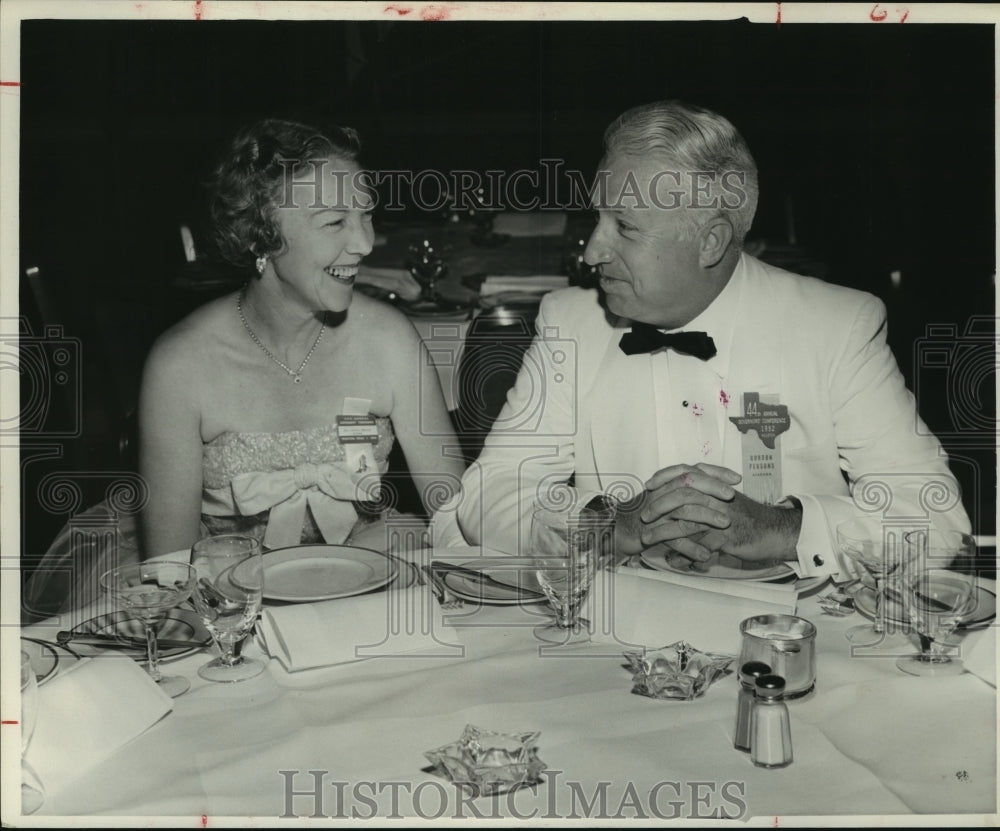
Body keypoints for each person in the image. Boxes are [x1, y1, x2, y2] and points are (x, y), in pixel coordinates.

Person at [449, 100, 970, 578]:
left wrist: (778, 529)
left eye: (624, 228)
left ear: (711, 241)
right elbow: (485, 496)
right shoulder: (570, 323)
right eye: (597, 219)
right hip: (616, 638)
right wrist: (605, 527)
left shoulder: (837, 326)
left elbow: (935, 518)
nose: (591, 251)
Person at [27, 119, 463, 613]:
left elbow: (454, 517)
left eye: (367, 216)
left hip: (366, 565)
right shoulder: (182, 364)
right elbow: (171, 573)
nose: (364, 243)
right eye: (335, 222)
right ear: (261, 238)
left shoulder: (391, 339)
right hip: (222, 589)